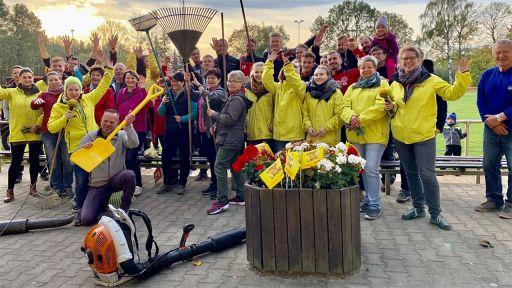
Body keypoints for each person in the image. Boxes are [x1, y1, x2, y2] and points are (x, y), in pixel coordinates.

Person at [384, 45, 470, 230]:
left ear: (420, 60)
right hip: (401, 136)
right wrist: (392, 108)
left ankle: (436, 213)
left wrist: (462, 76)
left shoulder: (431, 80)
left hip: (424, 136)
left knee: (427, 175)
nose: (407, 61)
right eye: (404, 58)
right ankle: (417, 208)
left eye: (411, 58)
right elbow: (396, 107)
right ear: (400, 61)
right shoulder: (396, 83)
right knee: (411, 173)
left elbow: (452, 93)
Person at [48, 55, 113, 220]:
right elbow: (51, 127)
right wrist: (64, 118)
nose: (74, 92)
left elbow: (103, 86)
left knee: (99, 178)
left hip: (96, 145)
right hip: (78, 149)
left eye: (77, 89)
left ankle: (100, 205)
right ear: (66, 90)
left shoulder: (89, 98)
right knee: (82, 180)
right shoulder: (59, 106)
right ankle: (79, 207)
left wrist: (109, 69)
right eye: (71, 89)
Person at [341, 56, 390, 220]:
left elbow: (380, 108)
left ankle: (375, 206)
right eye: (363, 68)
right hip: (356, 135)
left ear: (375, 68)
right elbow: (343, 107)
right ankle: (369, 201)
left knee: (371, 168)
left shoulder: (382, 85)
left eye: (369, 67)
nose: (366, 70)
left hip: (375, 135)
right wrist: (350, 117)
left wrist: (358, 119)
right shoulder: (353, 87)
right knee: (363, 168)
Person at [78, 109, 138, 226]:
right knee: (87, 219)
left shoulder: (121, 135)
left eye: (112, 122)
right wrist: (85, 151)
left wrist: (129, 126)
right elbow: (73, 160)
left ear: (117, 123)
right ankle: (101, 203)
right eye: (105, 121)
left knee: (129, 175)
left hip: (116, 180)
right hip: (98, 184)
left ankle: (124, 209)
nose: (108, 124)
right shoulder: (91, 136)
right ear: (100, 121)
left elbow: (134, 144)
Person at [206, 70, 253, 215]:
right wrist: (216, 125)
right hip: (231, 138)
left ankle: (222, 201)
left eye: (235, 81)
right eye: (229, 81)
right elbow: (228, 119)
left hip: (230, 140)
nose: (231, 83)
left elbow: (230, 119)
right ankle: (241, 195)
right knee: (235, 167)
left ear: (241, 83)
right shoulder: (233, 97)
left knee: (219, 166)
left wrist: (214, 115)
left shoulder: (237, 100)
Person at [475, 39, 512, 219]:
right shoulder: (487, 75)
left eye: (505, 52)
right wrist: (490, 121)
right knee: (489, 163)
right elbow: (481, 100)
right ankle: (494, 200)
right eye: (497, 52)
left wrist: (500, 117)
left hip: (510, 128)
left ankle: (511, 204)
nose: (501, 56)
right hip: (491, 129)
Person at [0, 68, 43, 202]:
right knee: (15, 162)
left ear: (33, 78)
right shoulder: (12, 93)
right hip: (18, 133)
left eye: (30, 77)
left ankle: (33, 186)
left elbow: (45, 112)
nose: (27, 79)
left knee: (34, 161)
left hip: (35, 132)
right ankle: (10, 190)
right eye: (24, 77)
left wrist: (37, 124)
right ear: (19, 78)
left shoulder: (40, 94)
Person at [31, 71, 73, 198]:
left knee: (67, 160)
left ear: (61, 80)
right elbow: (33, 106)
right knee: (53, 160)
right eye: (51, 80)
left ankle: (68, 186)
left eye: (56, 79)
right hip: (48, 132)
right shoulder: (43, 94)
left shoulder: (66, 94)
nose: (54, 82)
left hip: (65, 131)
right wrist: (36, 101)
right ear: (47, 82)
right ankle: (57, 187)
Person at [157, 72, 198, 195]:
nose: (174, 83)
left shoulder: (188, 94)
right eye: (172, 81)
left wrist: (183, 118)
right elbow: (160, 113)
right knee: (165, 157)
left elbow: (194, 113)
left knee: (184, 157)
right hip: (169, 131)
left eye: (176, 81)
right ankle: (167, 182)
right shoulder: (167, 94)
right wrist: (163, 102)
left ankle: (182, 183)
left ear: (182, 82)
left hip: (184, 131)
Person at [188, 68, 227, 197]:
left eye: (213, 78)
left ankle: (219, 187)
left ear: (219, 79)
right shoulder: (207, 90)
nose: (210, 80)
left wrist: (199, 85)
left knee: (216, 160)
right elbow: (194, 95)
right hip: (205, 132)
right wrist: (188, 83)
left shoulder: (220, 92)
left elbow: (208, 98)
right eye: (208, 78)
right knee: (211, 159)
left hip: (215, 132)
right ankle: (214, 183)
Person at [114, 70, 150, 196]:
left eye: (133, 78)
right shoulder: (121, 93)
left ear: (137, 80)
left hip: (138, 129)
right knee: (123, 157)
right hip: (122, 128)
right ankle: (126, 182)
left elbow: (149, 105)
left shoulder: (141, 92)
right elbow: (116, 108)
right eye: (128, 78)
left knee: (131, 156)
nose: (130, 80)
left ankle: (137, 184)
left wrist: (144, 89)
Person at [262, 51, 305, 152]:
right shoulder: (278, 87)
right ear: (283, 71)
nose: (292, 72)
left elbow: (294, 80)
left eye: (296, 71)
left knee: (296, 165)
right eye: (290, 69)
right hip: (279, 135)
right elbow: (265, 80)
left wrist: (287, 63)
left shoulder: (300, 86)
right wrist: (270, 61)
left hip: (295, 135)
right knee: (280, 165)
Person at [301, 65, 343, 146]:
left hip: (330, 140)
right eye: (316, 75)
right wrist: (308, 127)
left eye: (321, 74)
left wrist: (326, 128)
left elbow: (340, 115)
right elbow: (305, 114)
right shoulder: (309, 94)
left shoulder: (336, 92)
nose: (318, 77)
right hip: (312, 140)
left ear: (328, 76)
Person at [246, 62, 274, 146]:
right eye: (256, 72)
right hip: (252, 131)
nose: (259, 74)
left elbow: (278, 108)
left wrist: (274, 121)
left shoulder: (272, 88)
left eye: (262, 72)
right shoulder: (246, 89)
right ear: (252, 73)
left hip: (268, 130)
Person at [371, 16, 400, 81]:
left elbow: (395, 49)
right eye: (378, 28)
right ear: (376, 30)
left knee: (390, 66)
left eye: (383, 27)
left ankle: (391, 80)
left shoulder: (390, 38)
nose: (380, 29)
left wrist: (392, 56)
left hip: (390, 56)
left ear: (386, 29)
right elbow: (372, 48)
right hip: (378, 55)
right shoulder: (375, 39)